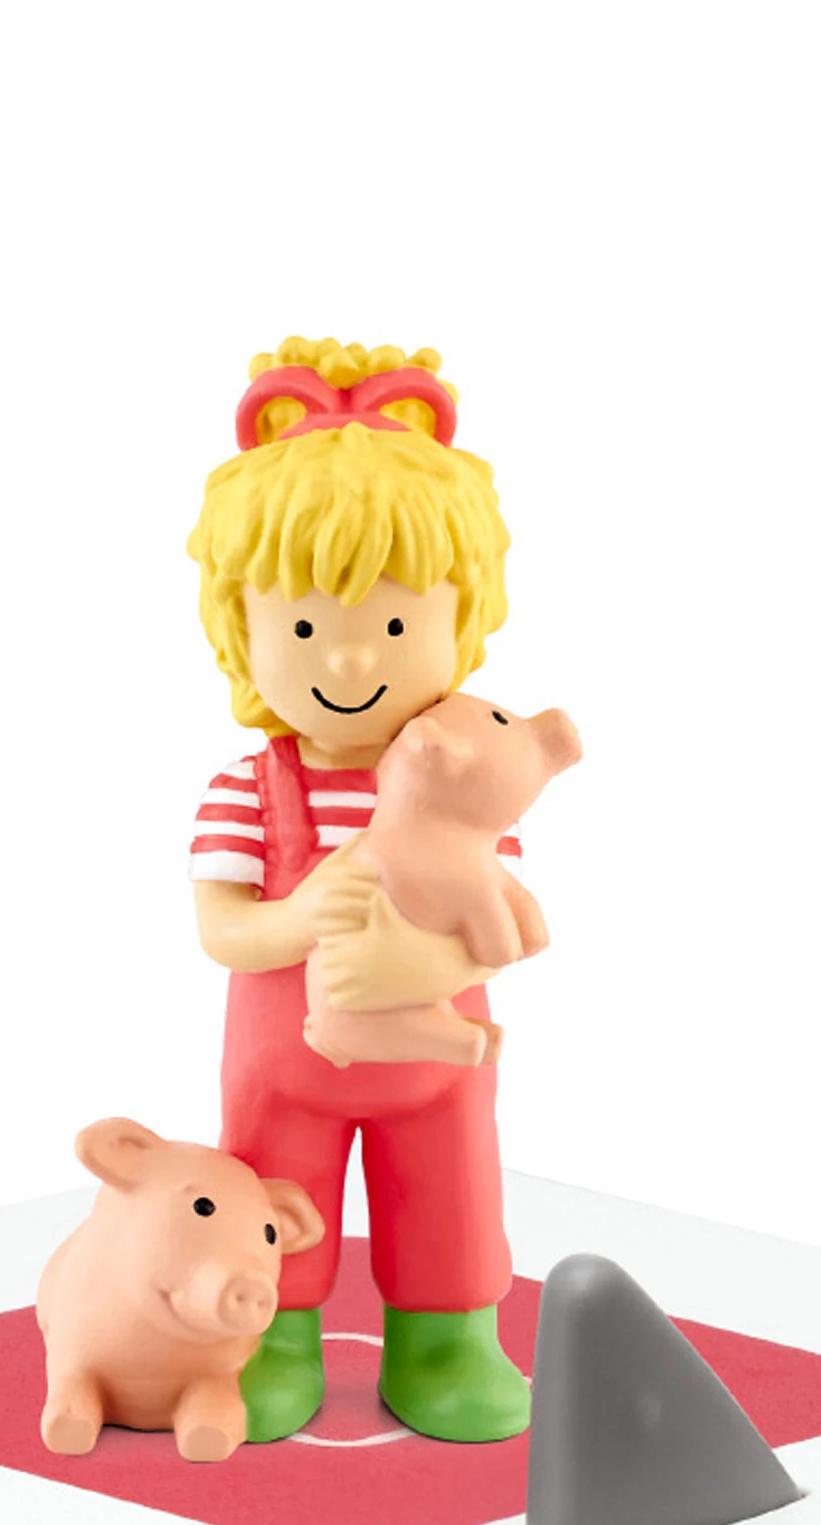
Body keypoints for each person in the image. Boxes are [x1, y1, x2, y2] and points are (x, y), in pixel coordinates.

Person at [186, 336, 528, 1444]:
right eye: (303, 629)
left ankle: (448, 1339)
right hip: (283, 1069)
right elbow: (220, 931)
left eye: (389, 625)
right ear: (240, 630)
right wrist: (294, 920)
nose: (346, 662)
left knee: (452, 1192)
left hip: (436, 1063)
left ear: (458, 623)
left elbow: (494, 913)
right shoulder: (247, 789)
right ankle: (273, 1338)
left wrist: (437, 953)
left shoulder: (465, 779)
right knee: (271, 1197)